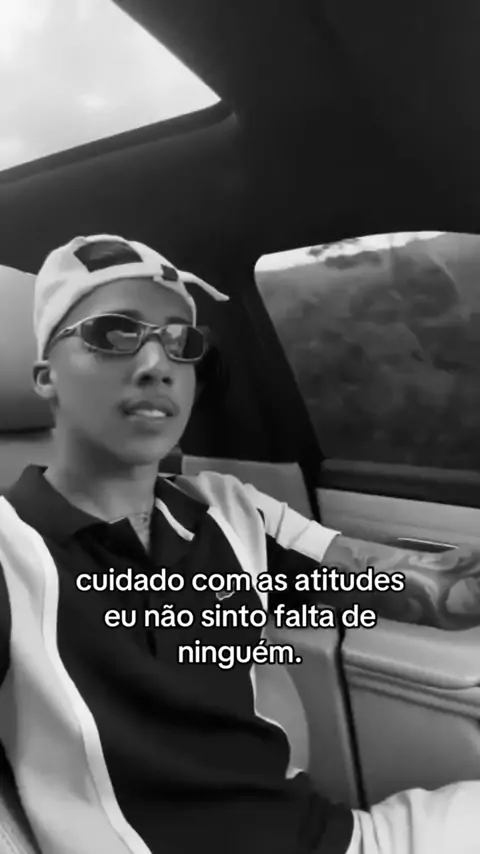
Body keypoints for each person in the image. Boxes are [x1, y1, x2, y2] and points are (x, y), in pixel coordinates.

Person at [0, 234, 479, 854]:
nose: (158, 364)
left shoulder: (232, 510)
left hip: (335, 839)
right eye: (114, 333)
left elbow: (429, 591)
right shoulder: (10, 547)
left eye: (181, 341)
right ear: (46, 378)